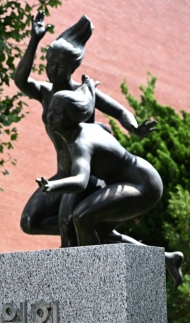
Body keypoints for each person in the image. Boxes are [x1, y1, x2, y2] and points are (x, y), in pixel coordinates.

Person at [13, 13, 156, 242]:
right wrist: (34, 40)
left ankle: (88, 246)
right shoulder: (45, 92)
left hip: (85, 174)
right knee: (30, 222)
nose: (53, 70)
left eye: (60, 65)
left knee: (68, 227)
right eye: (49, 63)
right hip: (64, 173)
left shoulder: (82, 95)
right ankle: (159, 255)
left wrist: (135, 127)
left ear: (72, 67)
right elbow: (20, 80)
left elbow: (119, 111)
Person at [37, 75, 165, 247]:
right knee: (94, 232)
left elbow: (81, 182)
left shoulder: (81, 142)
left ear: (71, 117)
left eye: (57, 114)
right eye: (50, 111)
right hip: (130, 181)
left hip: (143, 185)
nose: (49, 117)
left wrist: (52, 186)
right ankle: (169, 258)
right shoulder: (86, 131)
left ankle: (96, 271)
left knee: (82, 217)